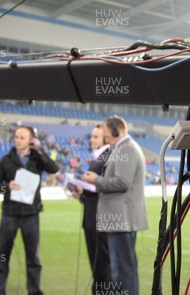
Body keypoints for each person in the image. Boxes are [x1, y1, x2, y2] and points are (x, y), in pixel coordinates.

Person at [0, 125, 59, 295]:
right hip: (9, 214)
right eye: (16, 137)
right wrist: (7, 187)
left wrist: (40, 149)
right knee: (3, 257)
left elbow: (54, 168)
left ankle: (34, 291)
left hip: (31, 215)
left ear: (31, 140)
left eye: (22, 137)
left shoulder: (37, 158)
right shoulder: (6, 160)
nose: (18, 140)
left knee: (33, 259)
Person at [83, 116, 148, 295]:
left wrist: (97, 180)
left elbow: (122, 182)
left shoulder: (126, 149)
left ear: (115, 131)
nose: (105, 138)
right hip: (118, 219)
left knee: (123, 270)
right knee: (120, 270)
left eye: (106, 134)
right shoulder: (122, 148)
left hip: (121, 218)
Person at [72, 125, 112, 294]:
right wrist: (81, 195)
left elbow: (109, 187)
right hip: (91, 218)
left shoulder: (109, 156)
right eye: (91, 136)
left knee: (103, 265)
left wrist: (90, 184)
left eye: (95, 137)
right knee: (97, 266)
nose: (91, 139)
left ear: (105, 139)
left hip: (100, 220)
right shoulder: (98, 157)